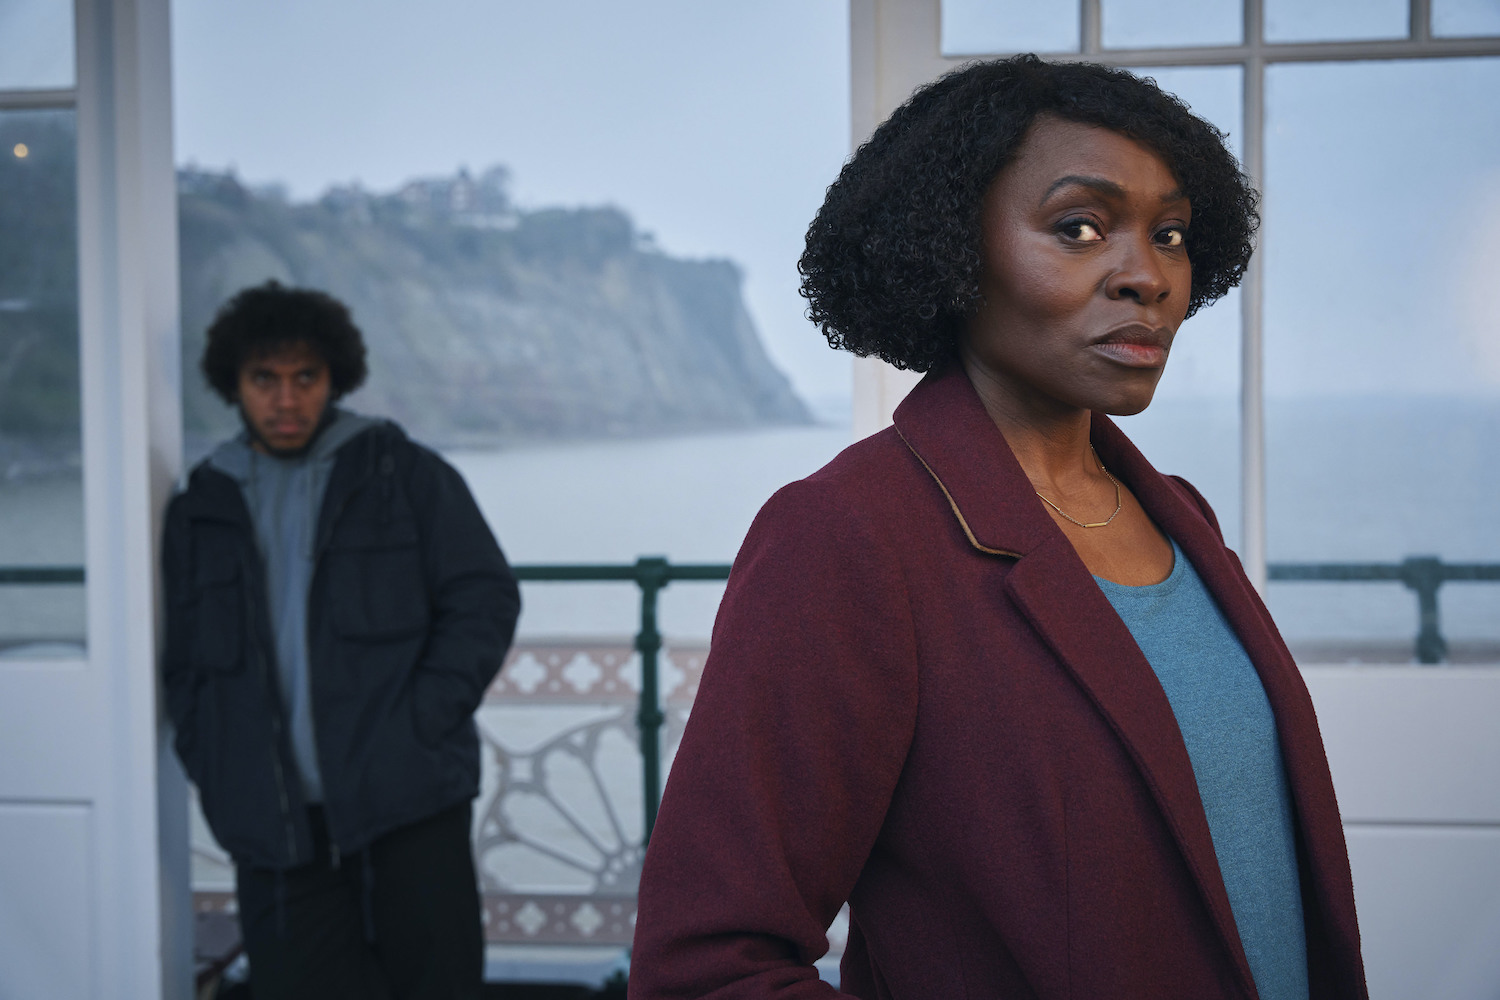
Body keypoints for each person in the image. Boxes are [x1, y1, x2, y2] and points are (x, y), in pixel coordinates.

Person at [630, 56, 1366, 999]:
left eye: (1171, 234)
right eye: (1079, 227)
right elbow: (706, 968)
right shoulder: (850, 537)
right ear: (951, 249)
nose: (1147, 276)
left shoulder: (1181, 515)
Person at [161, 281, 520, 1000]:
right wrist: (217, 767)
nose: (286, 400)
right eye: (264, 379)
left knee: (438, 988)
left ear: (335, 378)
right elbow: (186, 663)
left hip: (410, 802)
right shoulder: (201, 504)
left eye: (305, 377)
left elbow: (483, 598)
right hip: (272, 823)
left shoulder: (402, 474)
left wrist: (421, 720)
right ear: (233, 384)